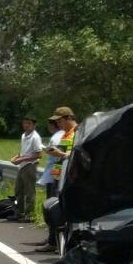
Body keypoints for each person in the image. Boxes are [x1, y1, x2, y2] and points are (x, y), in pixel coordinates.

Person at [36, 106, 78, 251]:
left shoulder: (77, 134)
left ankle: (61, 244)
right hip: (57, 176)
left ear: (68, 118)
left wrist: (59, 154)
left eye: (59, 121)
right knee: (53, 211)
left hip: (67, 178)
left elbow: (76, 156)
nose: (58, 125)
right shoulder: (66, 134)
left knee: (60, 212)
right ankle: (54, 242)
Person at [10, 115, 42, 220]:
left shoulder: (35, 137)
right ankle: (19, 212)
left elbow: (38, 154)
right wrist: (16, 157)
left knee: (29, 192)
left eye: (29, 123)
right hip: (22, 165)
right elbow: (24, 151)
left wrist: (22, 159)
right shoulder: (24, 135)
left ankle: (29, 215)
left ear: (34, 125)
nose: (26, 125)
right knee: (18, 190)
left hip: (30, 165)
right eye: (25, 123)